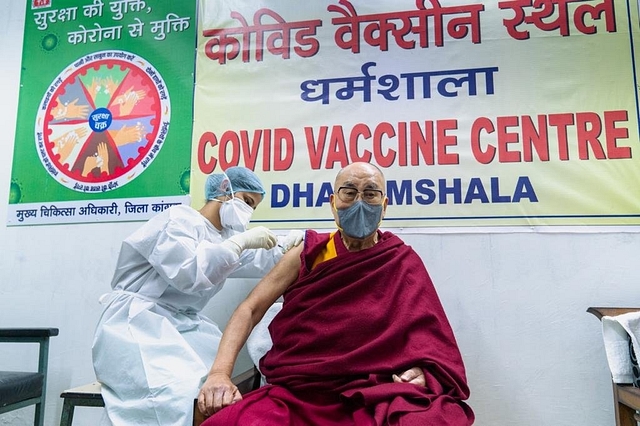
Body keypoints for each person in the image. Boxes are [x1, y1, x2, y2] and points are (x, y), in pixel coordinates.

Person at [197, 162, 474, 425]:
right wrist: (220, 373)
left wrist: (423, 374)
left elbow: (431, 340)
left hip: (377, 393)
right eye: (349, 192)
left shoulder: (400, 260)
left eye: (371, 194)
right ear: (333, 203)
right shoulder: (308, 254)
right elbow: (250, 308)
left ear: (385, 206)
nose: (359, 202)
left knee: (435, 419)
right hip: (302, 394)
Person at [92, 166, 304, 426]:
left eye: (253, 207)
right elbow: (188, 273)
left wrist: (297, 243)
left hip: (182, 325)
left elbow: (262, 257)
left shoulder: (226, 237)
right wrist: (240, 243)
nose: (248, 211)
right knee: (175, 393)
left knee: (223, 384)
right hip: (136, 324)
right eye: (247, 201)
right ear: (225, 191)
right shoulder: (178, 220)